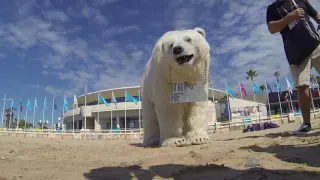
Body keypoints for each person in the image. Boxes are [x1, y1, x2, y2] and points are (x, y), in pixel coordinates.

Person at [266, 0, 320, 133]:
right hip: (296, 54)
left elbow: (316, 15)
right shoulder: (272, 8)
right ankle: (306, 124)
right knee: (302, 86)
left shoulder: (301, 0)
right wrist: (289, 17)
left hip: (315, 45)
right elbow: (272, 28)